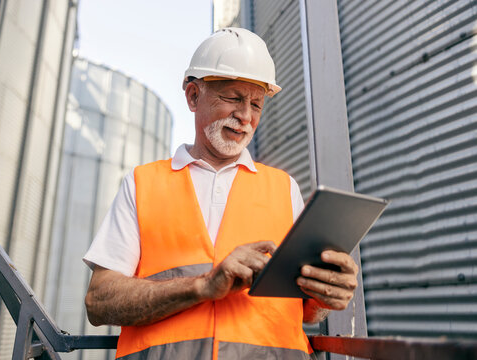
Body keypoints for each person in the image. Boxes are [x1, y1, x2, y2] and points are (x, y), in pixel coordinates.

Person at [83, 27, 359, 360]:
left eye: (257, 104)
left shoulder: (283, 188)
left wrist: (325, 294)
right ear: (193, 96)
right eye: (233, 97)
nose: (245, 116)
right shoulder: (143, 183)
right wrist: (202, 286)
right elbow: (99, 302)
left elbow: (305, 311)